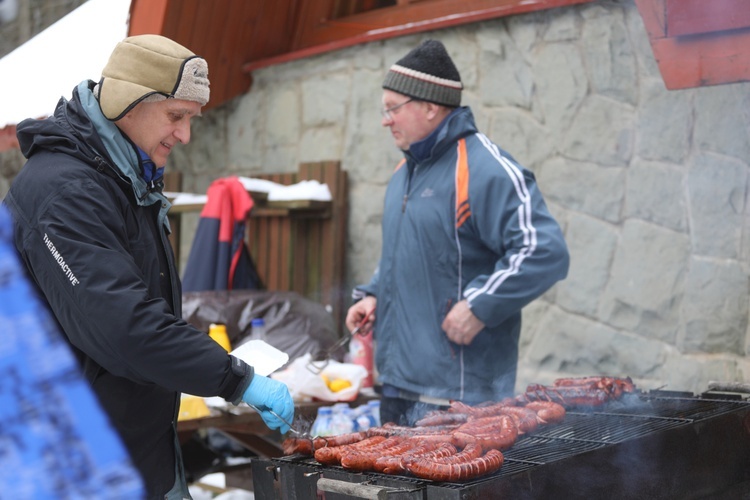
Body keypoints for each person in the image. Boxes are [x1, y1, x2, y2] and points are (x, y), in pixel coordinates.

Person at [3, 35, 294, 499]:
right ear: (126, 104)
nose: (185, 135)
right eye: (175, 116)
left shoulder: (121, 179)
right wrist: (236, 380)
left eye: (190, 119)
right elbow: (124, 327)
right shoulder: (66, 194)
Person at [346, 39, 570, 427]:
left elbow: (543, 250)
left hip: (462, 400)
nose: (386, 120)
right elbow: (405, 255)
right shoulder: (404, 174)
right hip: (397, 388)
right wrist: (373, 295)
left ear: (430, 107)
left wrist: (479, 305)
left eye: (392, 109)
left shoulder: (484, 168)